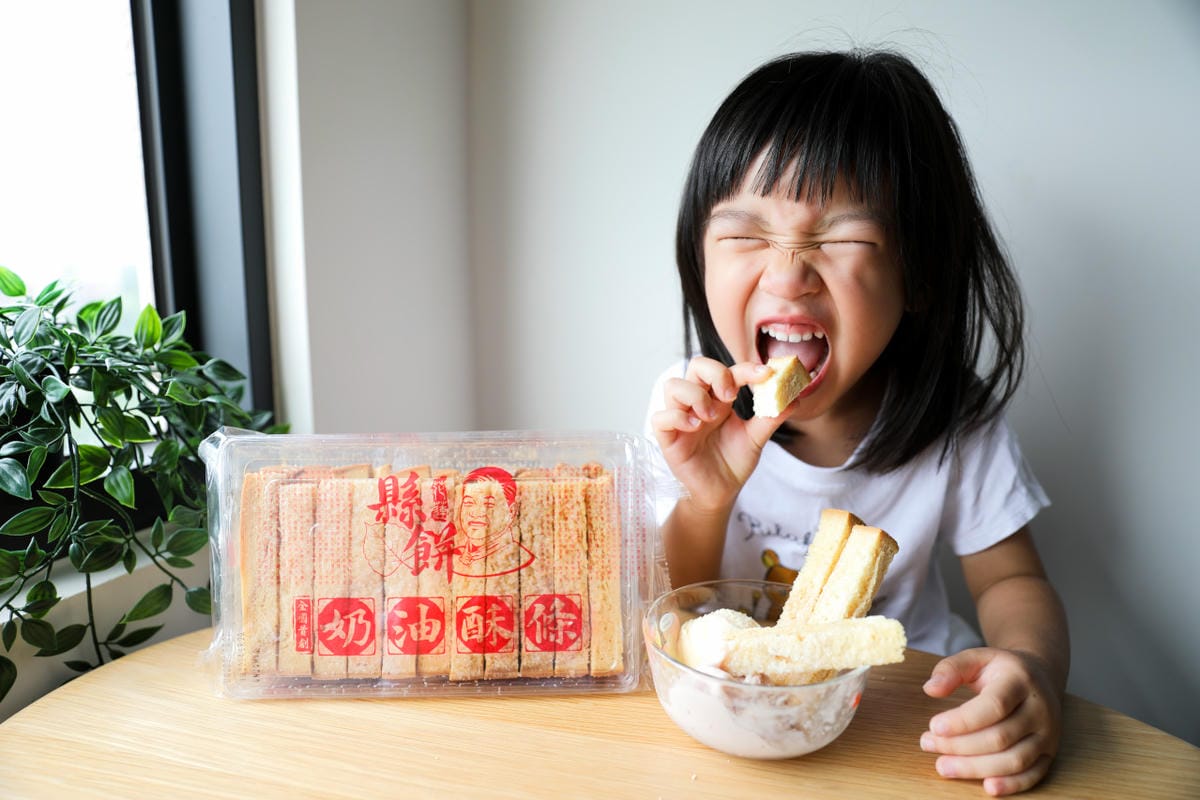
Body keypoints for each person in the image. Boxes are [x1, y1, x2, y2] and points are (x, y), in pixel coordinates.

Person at [645, 49, 1069, 797]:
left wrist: (1031, 668)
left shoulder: (956, 425)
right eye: (746, 234)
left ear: (919, 275)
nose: (787, 273)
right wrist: (707, 498)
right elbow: (673, 617)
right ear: (699, 261)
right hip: (736, 726)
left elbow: (1012, 579)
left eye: (841, 237)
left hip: (912, 721)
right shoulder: (688, 414)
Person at [453, 466, 534, 577]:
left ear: (512, 511)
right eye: (468, 503)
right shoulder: (455, 558)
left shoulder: (525, 560)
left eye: (488, 505)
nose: (476, 513)